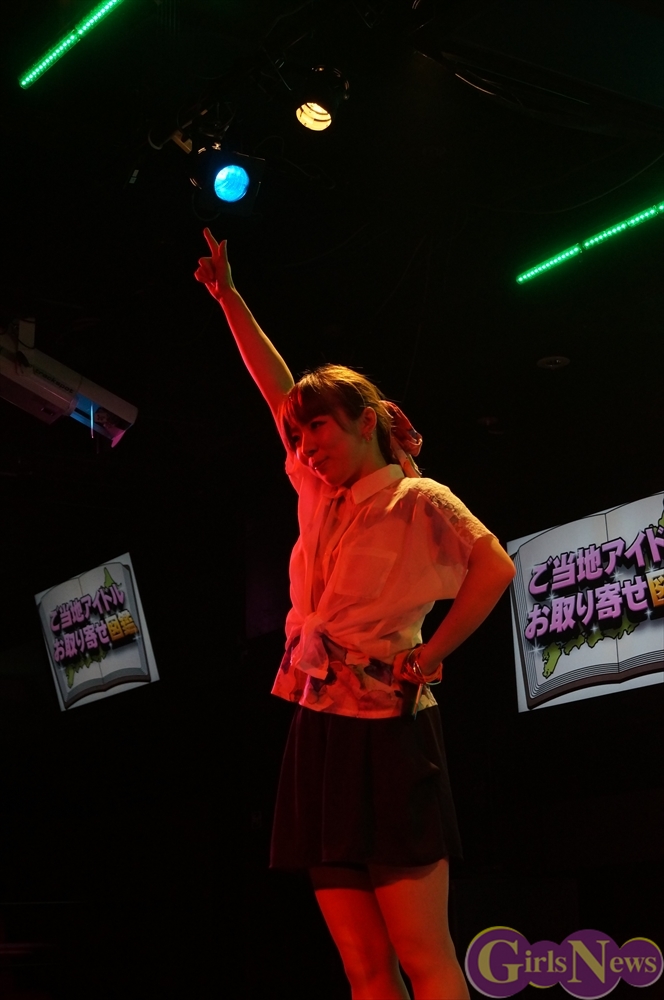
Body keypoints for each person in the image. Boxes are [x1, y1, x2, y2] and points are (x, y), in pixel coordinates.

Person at [195, 229, 516, 1000]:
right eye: (297, 435)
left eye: (318, 428)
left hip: (389, 730)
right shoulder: (317, 492)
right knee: (362, 967)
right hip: (318, 727)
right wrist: (228, 297)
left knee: (423, 954)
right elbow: (275, 388)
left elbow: (495, 567)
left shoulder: (416, 499)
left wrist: (431, 653)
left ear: (365, 422)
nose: (304, 446)